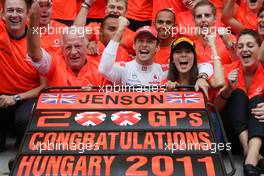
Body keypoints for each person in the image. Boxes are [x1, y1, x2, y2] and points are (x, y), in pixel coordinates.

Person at [99, 16, 214, 98]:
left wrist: (202, 77)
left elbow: (206, 65)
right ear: (134, 45)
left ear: (157, 47)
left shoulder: (163, 70)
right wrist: (120, 30)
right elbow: (103, 69)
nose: (144, 44)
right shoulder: (124, 68)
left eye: (149, 41)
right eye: (140, 41)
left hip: (155, 126)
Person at [215, 29, 264, 176]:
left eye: (250, 45)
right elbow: (216, 108)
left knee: (258, 100)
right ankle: (250, 152)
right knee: (237, 93)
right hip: (232, 138)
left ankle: (251, 157)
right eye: (241, 46)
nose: (245, 50)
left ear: (259, 48)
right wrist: (228, 88)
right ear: (236, 51)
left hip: (261, 136)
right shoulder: (228, 69)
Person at [0, 0, 46, 151]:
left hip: (27, 98)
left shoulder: (38, 43)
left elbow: (44, 86)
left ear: (27, 15)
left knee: (24, 120)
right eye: (10, 10)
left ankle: (21, 152)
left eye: (19, 11)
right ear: (2, 14)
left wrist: (16, 98)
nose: (14, 15)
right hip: (1, 97)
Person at [27, 0, 108, 87]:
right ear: (62, 49)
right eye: (68, 47)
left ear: (86, 47)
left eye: (77, 46)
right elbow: (34, 55)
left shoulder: (100, 68)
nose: (73, 52)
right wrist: (33, 23)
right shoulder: (54, 65)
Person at [167, 35, 224, 141]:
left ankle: (213, 153)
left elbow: (220, 82)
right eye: (178, 52)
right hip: (176, 134)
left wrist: (213, 47)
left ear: (194, 57)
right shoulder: (166, 81)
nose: (183, 55)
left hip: (202, 131)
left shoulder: (203, 75)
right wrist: (167, 92)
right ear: (173, 59)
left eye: (188, 51)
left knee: (212, 116)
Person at [192, 0, 237, 65]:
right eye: (199, 16)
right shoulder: (192, 46)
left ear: (215, 19)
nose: (203, 20)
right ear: (194, 20)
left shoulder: (228, 38)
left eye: (207, 15)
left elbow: (239, 65)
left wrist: (228, 45)